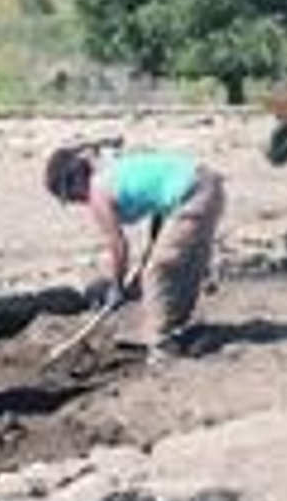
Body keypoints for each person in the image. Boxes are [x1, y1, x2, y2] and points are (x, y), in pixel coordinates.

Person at [44, 145, 226, 356]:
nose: (78, 203)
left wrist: (116, 287)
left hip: (192, 194)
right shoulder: (111, 173)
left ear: (75, 180)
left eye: (72, 197)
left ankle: (161, 345)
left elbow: (118, 245)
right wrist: (154, 243)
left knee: (156, 272)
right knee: (183, 266)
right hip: (206, 184)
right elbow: (159, 200)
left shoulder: (98, 192)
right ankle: (176, 327)